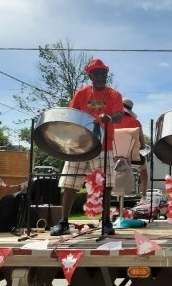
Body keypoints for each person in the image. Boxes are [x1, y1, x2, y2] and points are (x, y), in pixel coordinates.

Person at [50, 59, 123, 236]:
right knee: (70, 182)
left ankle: (106, 221)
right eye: (96, 73)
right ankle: (63, 222)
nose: (100, 76)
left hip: (103, 145)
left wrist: (110, 119)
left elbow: (120, 116)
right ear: (90, 75)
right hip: (79, 144)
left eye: (103, 74)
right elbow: (72, 116)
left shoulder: (114, 94)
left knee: (106, 185)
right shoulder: (81, 93)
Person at [114, 98, 149, 204]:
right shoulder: (136, 122)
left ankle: (102, 195)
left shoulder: (112, 121)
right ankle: (143, 196)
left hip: (113, 158)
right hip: (132, 159)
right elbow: (143, 145)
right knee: (144, 171)